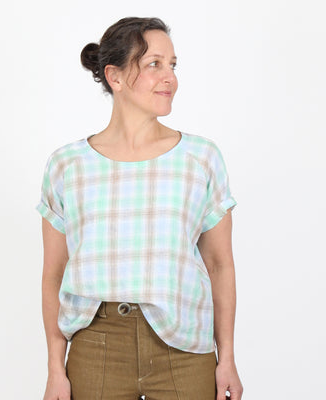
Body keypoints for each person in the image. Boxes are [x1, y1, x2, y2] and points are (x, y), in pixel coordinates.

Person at [36, 16, 243, 400]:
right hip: (97, 346)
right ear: (114, 76)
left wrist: (226, 357)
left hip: (184, 348)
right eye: (154, 64)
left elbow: (219, 264)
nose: (170, 78)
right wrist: (54, 369)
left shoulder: (201, 158)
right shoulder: (67, 165)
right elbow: (54, 274)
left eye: (173, 65)